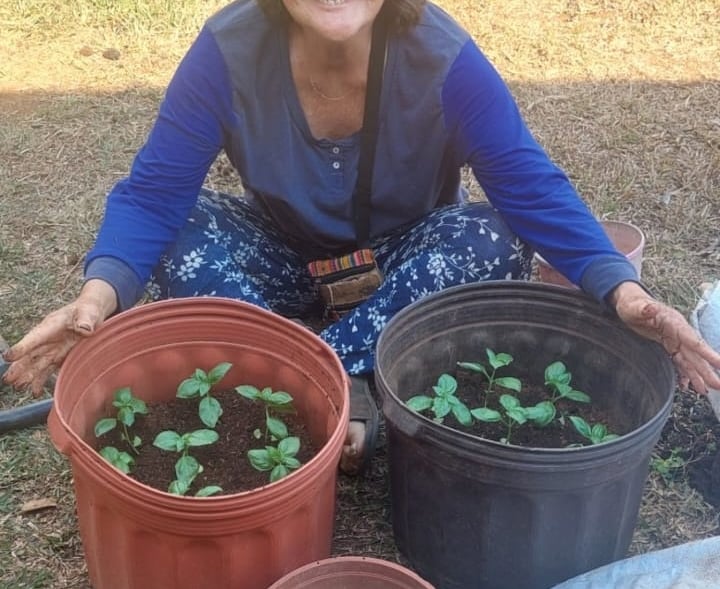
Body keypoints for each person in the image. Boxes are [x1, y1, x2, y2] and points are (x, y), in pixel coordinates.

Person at [3, 0, 720, 475]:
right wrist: (97, 297)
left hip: (404, 263)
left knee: (492, 235)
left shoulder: (443, 57)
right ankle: (330, 373)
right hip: (281, 255)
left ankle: (305, 373)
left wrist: (623, 291)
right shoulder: (228, 50)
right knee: (181, 230)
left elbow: (529, 187)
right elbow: (156, 193)